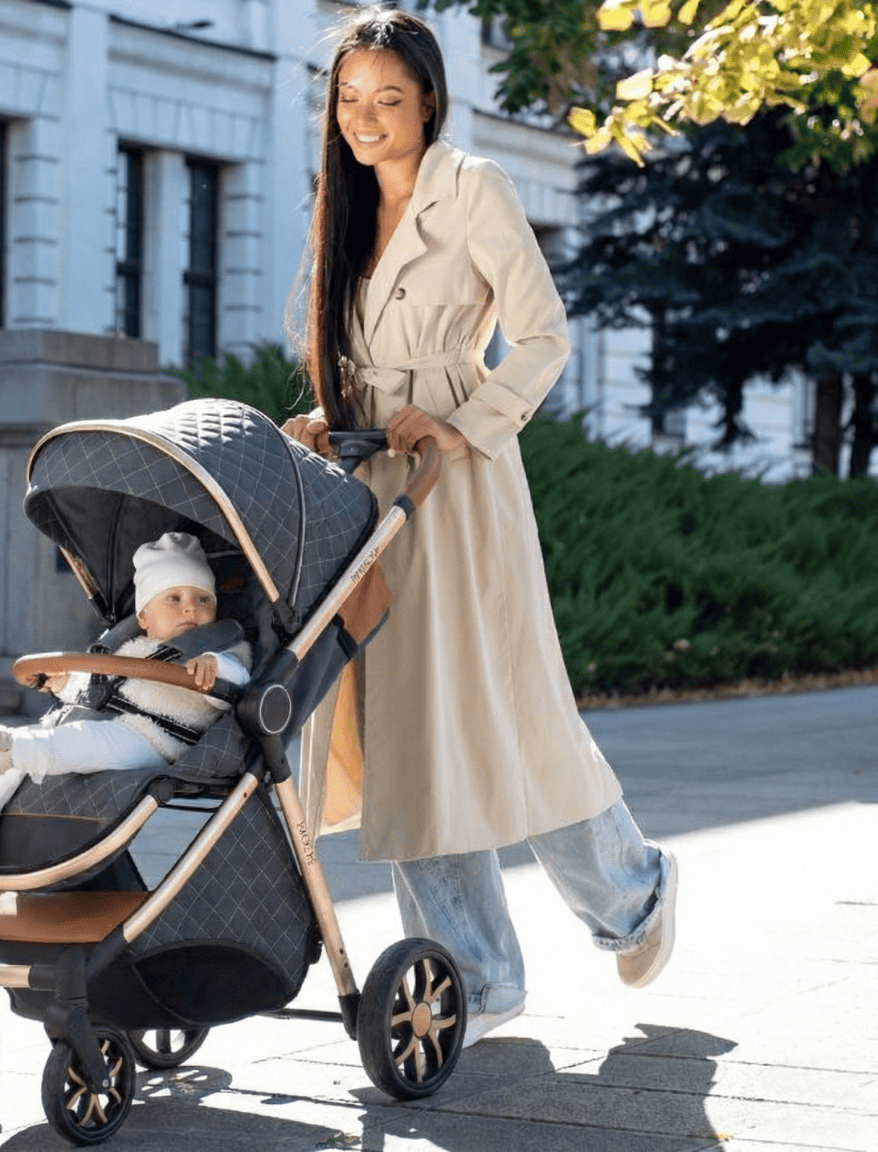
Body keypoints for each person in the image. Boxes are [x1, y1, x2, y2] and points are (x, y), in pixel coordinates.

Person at [282, 6, 678, 1048]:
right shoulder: (344, 204)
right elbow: (355, 352)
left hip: (457, 483)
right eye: (350, 99)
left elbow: (543, 336)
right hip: (371, 485)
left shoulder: (477, 189)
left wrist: (461, 422)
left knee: (501, 719)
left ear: (429, 102)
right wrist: (331, 413)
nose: (366, 120)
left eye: (389, 100)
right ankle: (478, 975)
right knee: (406, 730)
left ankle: (633, 890)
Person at [0, 532, 252, 851]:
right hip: (117, 723)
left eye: (203, 599)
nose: (190, 607)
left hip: (159, 740)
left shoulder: (220, 649)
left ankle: (7, 749)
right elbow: (106, 690)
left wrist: (216, 668)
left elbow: (238, 682)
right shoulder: (134, 648)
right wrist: (67, 684)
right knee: (44, 734)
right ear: (144, 617)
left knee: (82, 738)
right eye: (174, 598)